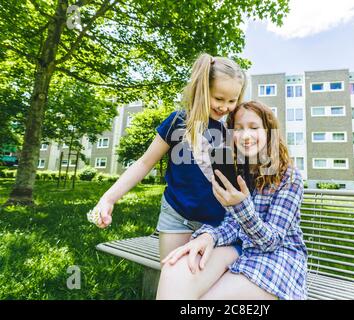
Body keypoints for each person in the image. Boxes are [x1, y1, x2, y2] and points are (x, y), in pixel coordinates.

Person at [91, 53, 247, 289]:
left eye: (232, 101)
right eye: (219, 98)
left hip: (215, 224)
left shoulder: (231, 133)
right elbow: (144, 163)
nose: (225, 107)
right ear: (202, 89)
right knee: (172, 280)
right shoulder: (178, 122)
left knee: (202, 287)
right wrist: (108, 198)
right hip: (177, 217)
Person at [159, 100, 308, 300]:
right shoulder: (237, 168)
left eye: (254, 127)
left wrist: (241, 205)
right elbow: (232, 224)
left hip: (277, 255)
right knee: (174, 271)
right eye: (238, 129)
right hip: (239, 246)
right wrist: (209, 236)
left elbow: (271, 241)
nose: (245, 136)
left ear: (269, 132)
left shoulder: (289, 177)